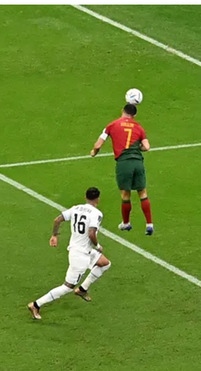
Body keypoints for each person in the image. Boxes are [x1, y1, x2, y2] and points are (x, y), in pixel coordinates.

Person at [27, 187, 112, 320]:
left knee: (105, 263)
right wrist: (98, 246)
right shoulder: (97, 214)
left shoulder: (75, 208)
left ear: (85, 197)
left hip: (83, 250)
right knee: (67, 287)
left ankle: (82, 290)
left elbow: (57, 220)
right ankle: (36, 304)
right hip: (80, 255)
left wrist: (54, 235)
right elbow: (91, 233)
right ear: (98, 199)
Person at [90, 104, 154, 235]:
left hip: (124, 163)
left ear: (122, 111)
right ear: (134, 115)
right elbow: (146, 147)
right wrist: (137, 148)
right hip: (138, 162)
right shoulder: (139, 127)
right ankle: (149, 224)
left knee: (125, 194)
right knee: (142, 193)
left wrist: (93, 152)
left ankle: (126, 223)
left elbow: (98, 144)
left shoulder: (112, 125)